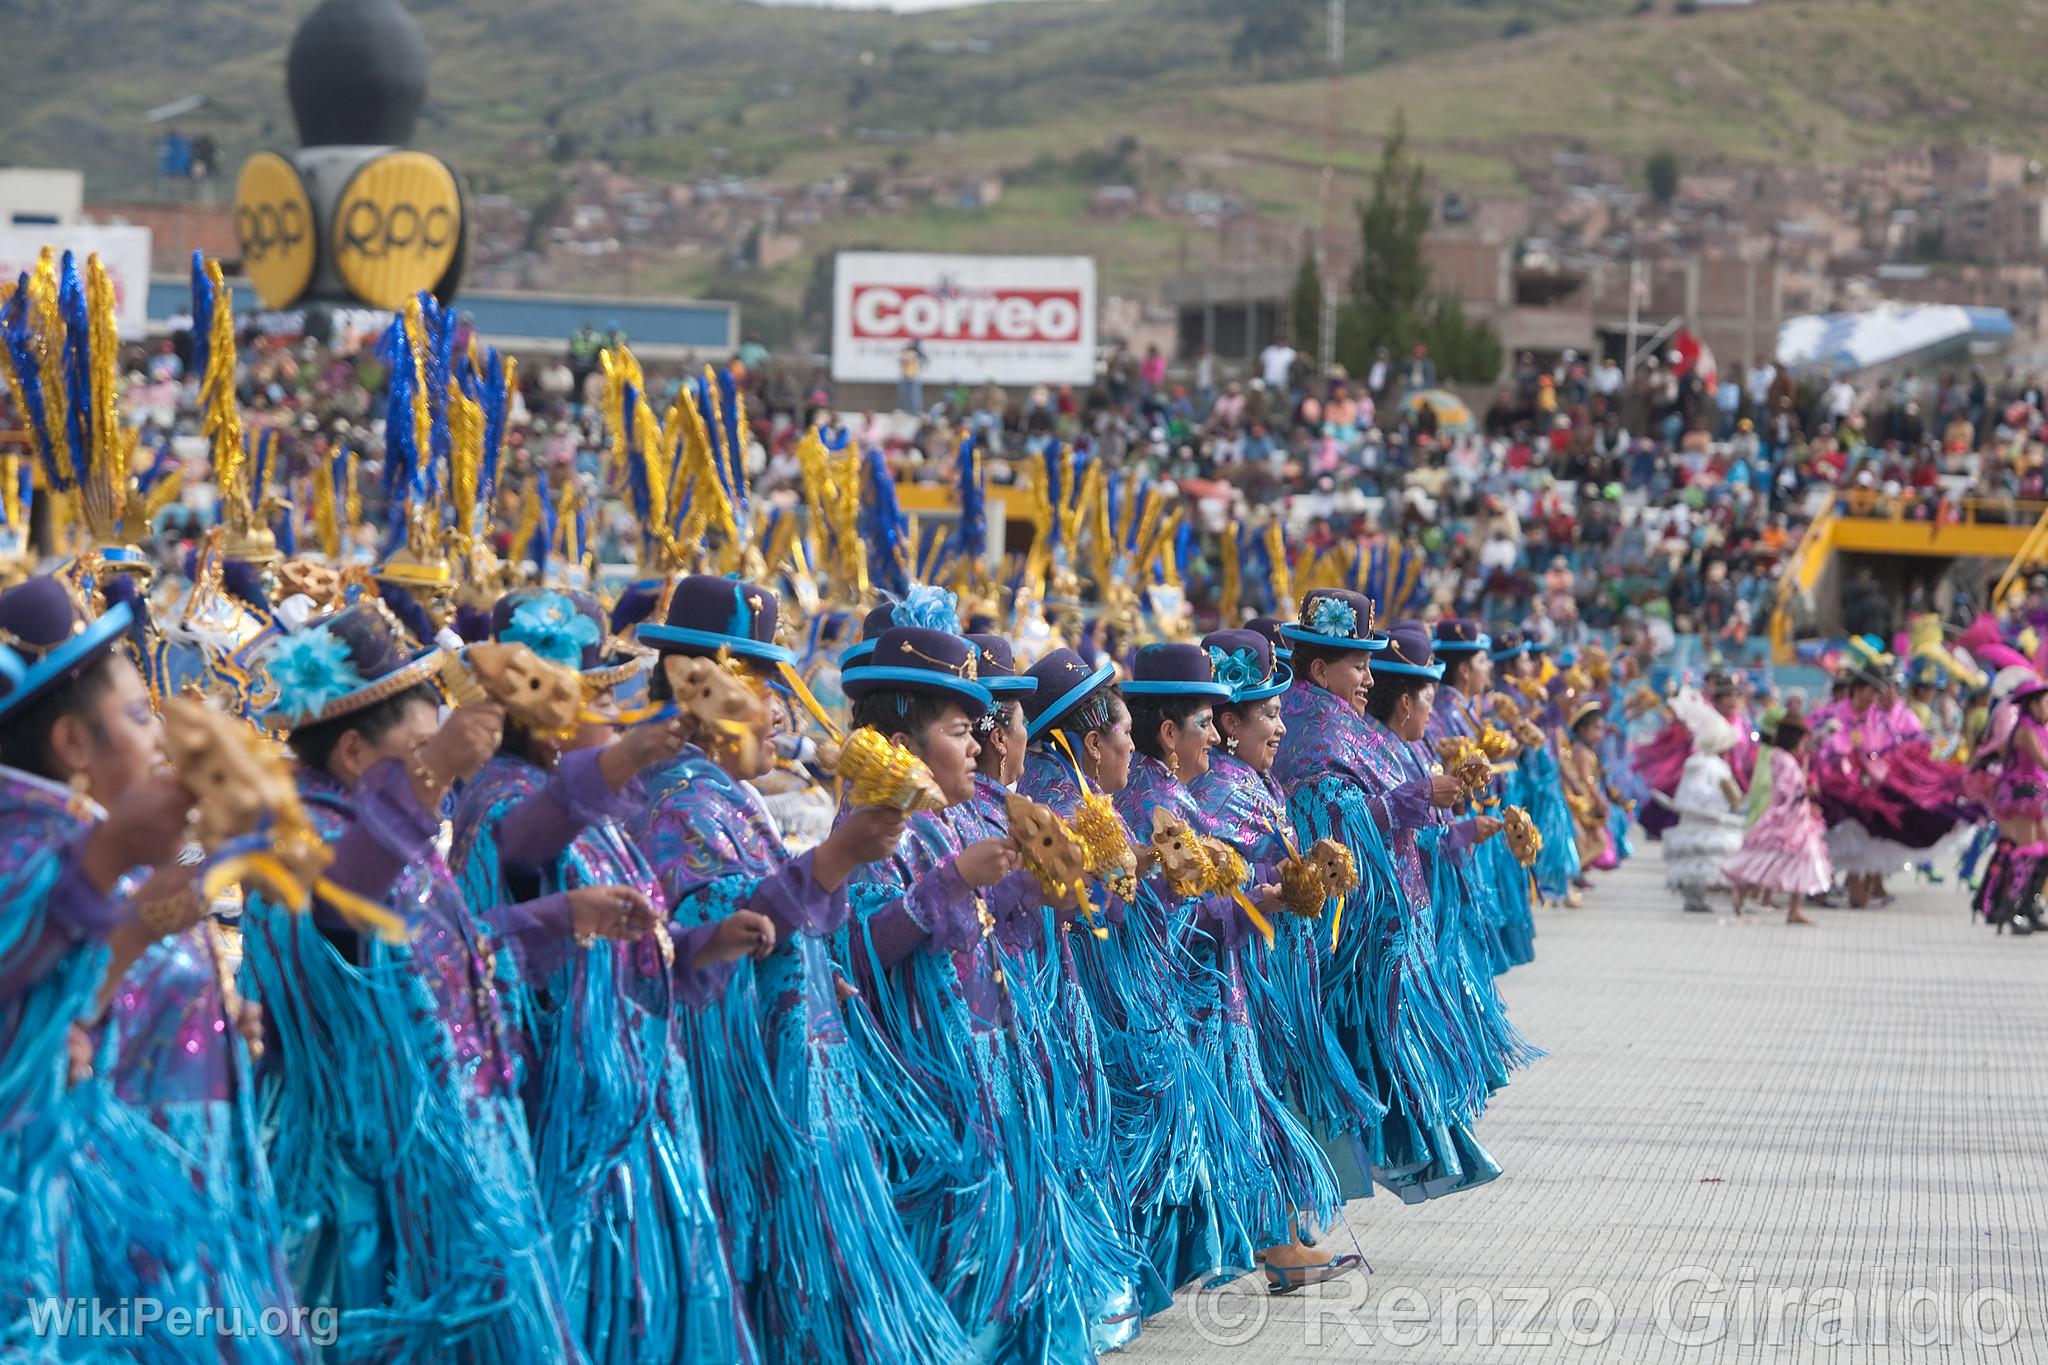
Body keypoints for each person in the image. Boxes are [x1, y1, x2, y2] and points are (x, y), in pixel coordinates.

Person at [627, 577, 970, 1365]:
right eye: (762, 683)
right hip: (751, 1091)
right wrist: (838, 858)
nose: (782, 709)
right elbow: (719, 933)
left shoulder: (720, 791)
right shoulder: (683, 798)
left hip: (787, 1073)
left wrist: (814, 955)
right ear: (700, 687)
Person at [242, 601, 587, 1360]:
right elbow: (340, 918)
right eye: (417, 740)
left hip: (449, 1155)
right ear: (358, 753)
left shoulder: (385, 832)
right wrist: (435, 773)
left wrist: (561, 914)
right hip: (364, 1180)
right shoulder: (297, 843)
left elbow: (445, 964)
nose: (433, 751)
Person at [447, 588, 765, 1364]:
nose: (617, 714)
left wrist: (704, 943)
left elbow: (629, 950)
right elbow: (521, 862)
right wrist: (630, 753)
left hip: (635, 1106)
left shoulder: (598, 813)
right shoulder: (503, 801)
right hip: (571, 1124)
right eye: (606, 699)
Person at [0, 577, 301, 1361]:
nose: (160, 739)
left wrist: (215, 1012)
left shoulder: (97, 843)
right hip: (98, 1219)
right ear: (72, 744)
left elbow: (162, 902)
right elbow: (63, 1010)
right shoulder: (35, 858)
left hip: (181, 1178)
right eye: (139, 716)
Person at [1722, 716, 1827, 925]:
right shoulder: (1785, 761)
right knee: (1777, 858)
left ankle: (1790, 907)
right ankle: (1748, 890)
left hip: (1795, 817)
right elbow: (1786, 790)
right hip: (1787, 819)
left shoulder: (1781, 758)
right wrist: (1805, 794)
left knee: (1782, 858)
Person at [1661, 687, 1746, 914]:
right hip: (1701, 818)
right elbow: (1695, 791)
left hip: (1710, 817)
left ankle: (1699, 896)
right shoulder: (1702, 763)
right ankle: (1694, 897)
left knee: (1705, 860)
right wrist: (1719, 799)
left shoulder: (1713, 764)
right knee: (1697, 859)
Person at [898, 337, 927, 415]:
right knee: (904, 395)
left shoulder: (918, 353)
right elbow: (901, 361)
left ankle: (915, 411)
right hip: (906, 376)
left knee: (915, 396)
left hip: (914, 376)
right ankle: (905, 410)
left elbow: (924, 361)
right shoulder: (906, 352)